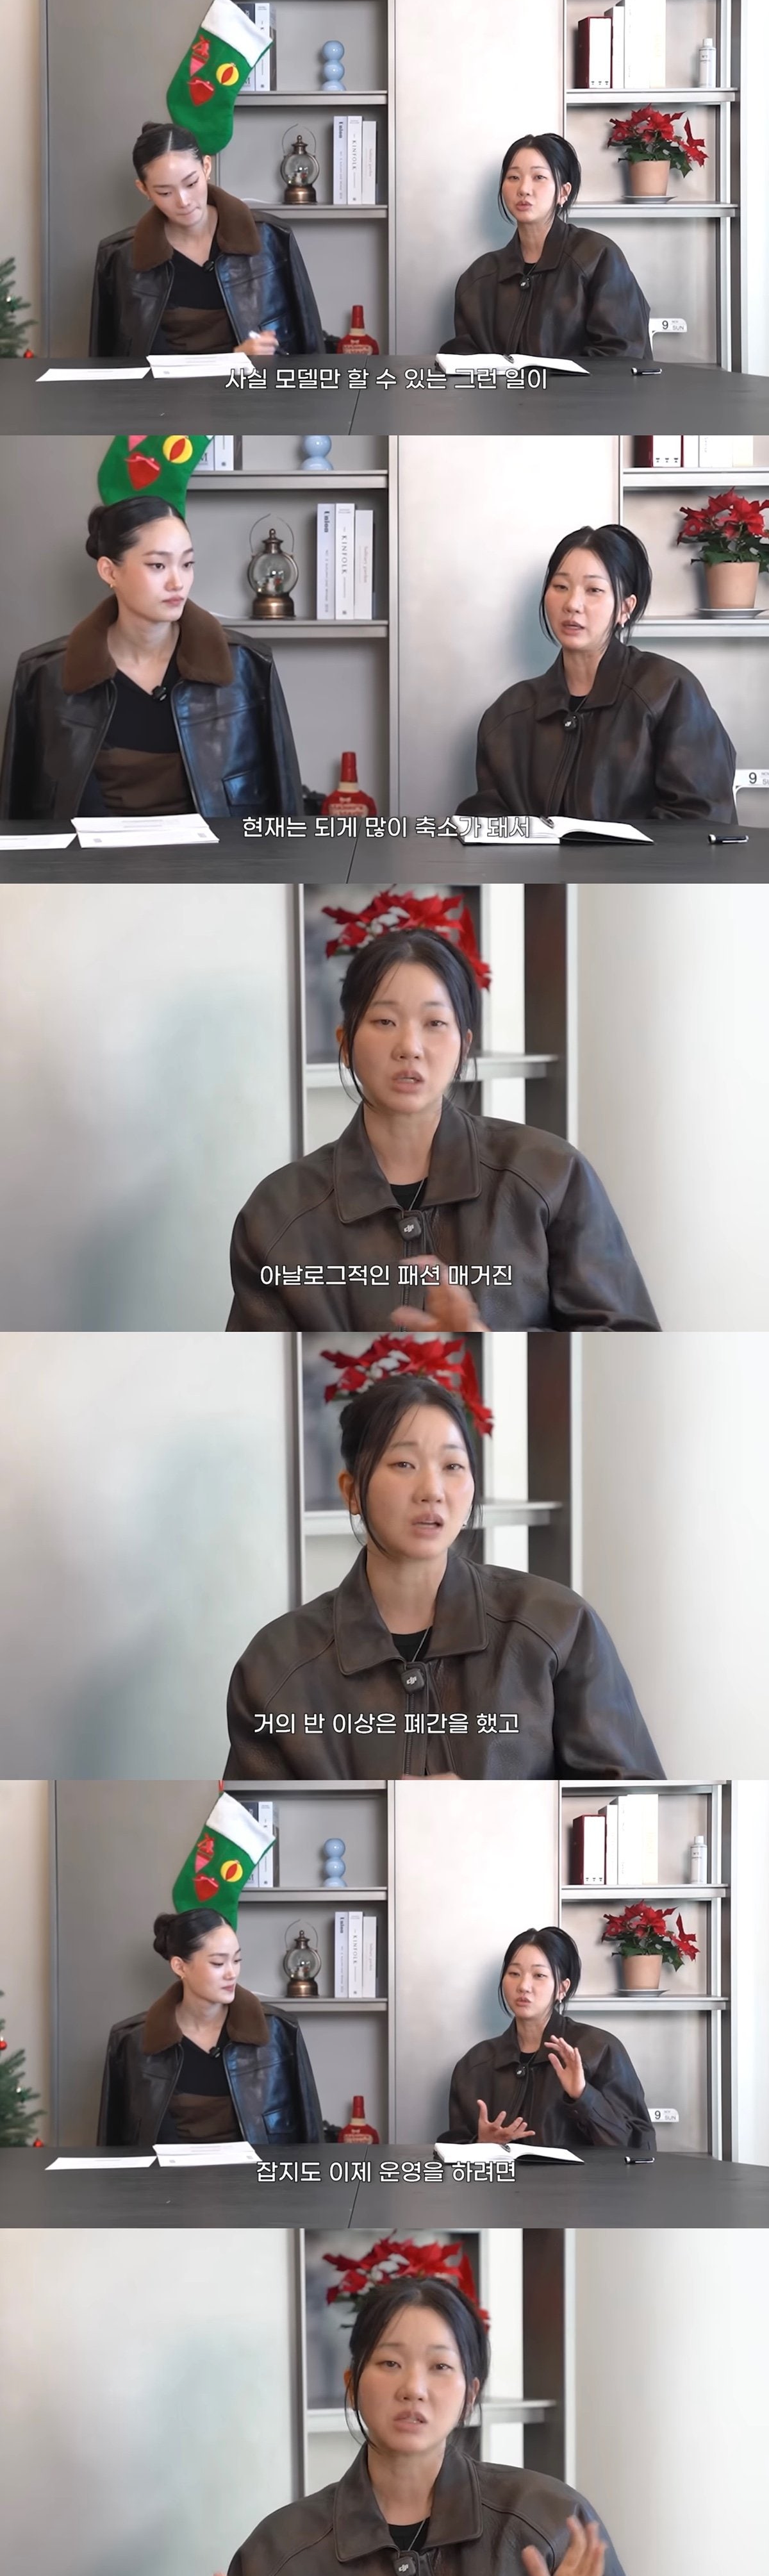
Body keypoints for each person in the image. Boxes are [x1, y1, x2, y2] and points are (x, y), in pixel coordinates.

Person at [192, 2240, 666, 2576]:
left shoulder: (549, 2521)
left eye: (440, 2366)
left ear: (470, 2395)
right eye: (390, 2363)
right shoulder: (278, 2552)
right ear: (352, 2385)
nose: (413, 2388)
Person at [222, 1343, 663, 1786]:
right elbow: (252, 1825)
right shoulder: (277, 1664)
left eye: (452, 1465)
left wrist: (487, 1815)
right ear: (352, 1492)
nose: (432, 1490)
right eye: (404, 1464)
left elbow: (636, 1810)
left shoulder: (559, 1628)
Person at [227, 892, 658, 1332]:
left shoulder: (552, 1175)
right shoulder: (278, 1212)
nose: (409, 1047)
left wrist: (485, 1345)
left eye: (434, 1023)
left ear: (464, 1046)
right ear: (346, 1044)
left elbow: (627, 1342)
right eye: (384, 1022)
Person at [0, 426, 304, 827]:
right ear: (110, 571)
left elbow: (285, 809)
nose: (178, 582)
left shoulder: (249, 666)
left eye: (187, 563)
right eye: (158, 565)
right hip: (90, 867)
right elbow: (16, 820)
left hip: (215, 867)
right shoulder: (43, 675)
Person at [474, 519, 738, 831]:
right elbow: (489, 824)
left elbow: (702, 823)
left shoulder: (669, 691)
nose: (573, 604)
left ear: (625, 608)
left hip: (643, 867)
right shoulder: (508, 714)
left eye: (594, 590)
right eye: (560, 587)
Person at [96, 1796, 324, 2154]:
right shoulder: (130, 2042)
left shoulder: (280, 2033)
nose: (232, 1973)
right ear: (180, 1966)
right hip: (162, 2189)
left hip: (258, 2188)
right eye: (218, 1963)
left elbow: (311, 2140)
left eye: (237, 1960)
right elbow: (112, 2150)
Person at [88, 135, 326, 367]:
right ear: (144, 189)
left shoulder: (271, 236)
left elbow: (310, 344)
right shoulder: (119, 257)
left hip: (259, 390)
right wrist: (232, 359)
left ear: (206, 167)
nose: (183, 201)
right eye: (165, 193)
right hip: (161, 394)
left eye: (191, 183)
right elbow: (107, 368)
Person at [448, 1927, 656, 2164]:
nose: (524, 1986)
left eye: (539, 1975)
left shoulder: (599, 2050)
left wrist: (583, 2096)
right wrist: (480, 2145)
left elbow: (639, 2149)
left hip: (578, 2188)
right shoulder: (475, 2065)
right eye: (514, 1973)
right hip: (501, 2188)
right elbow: (450, 2154)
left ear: (562, 1988)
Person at [452, 129, 652, 367]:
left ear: (563, 192)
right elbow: (464, 361)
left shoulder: (597, 257)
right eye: (513, 177)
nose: (524, 189)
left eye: (539, 177)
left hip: (586, 393)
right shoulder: (479, 278)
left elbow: (622, 356)